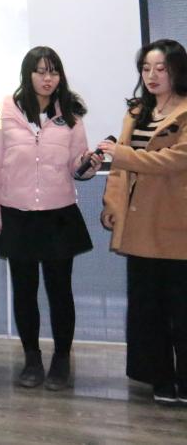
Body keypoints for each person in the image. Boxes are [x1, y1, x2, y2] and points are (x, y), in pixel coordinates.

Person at [0, 46, 99, 390]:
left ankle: (61, 359)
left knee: (60, 291)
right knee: (24, 291)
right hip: (17, 216)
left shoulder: (70, 115)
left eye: (54, 71)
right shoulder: (2, 113)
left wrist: (88, 165)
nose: (48, 79)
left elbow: (77, 165)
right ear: (27, 74)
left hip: (58, 215)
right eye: (41, 71)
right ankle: (31, 358)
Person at [99, 38, 187, 405]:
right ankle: (160, 378)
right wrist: (112, 203)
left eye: (160, 68)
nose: (152, 76)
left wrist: (122, 155)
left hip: (176, 223)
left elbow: (174, 160)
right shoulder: (136, 112)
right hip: (138, 225)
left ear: (177, 71)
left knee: (181, 310)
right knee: (147, 309)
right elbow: (119, 171)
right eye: (146, 68)